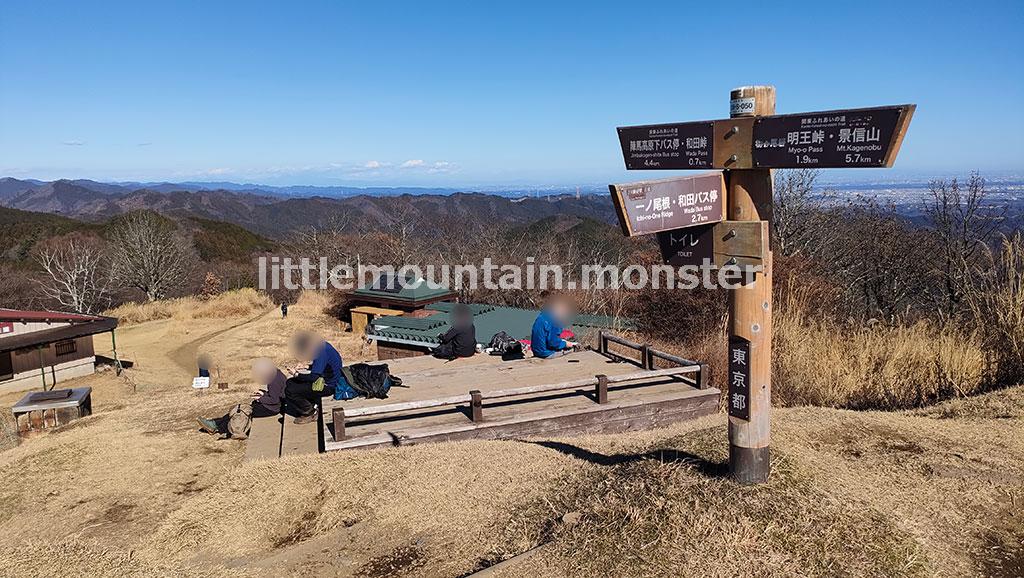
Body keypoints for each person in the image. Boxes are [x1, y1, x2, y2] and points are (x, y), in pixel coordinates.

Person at [196, 358, 286, 434]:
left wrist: (260, 398)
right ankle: (215, 422)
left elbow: (274, 400)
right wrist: (264, 393)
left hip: (271, 409)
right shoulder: (276, 375)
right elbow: (276, 394)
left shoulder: (274, 380)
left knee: (241, 413)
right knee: (239, 409)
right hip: (270, 406)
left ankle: (217, 428)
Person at [284, 331, 356, 424]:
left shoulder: (320, 353)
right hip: (326, 378)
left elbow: (314, 377)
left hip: (328, 385)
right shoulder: (323, 346)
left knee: (290, 390)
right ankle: (310, 403)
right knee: (290, 382)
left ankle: (310, 413)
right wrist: (306, 366)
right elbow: (324, 366)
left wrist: (296, 374)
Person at [530, 292, 578, 359]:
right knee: (573, 349)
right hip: (546, 354)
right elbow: (553, 343)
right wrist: (566, 344)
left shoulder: (543, 316)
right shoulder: (556, 321)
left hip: (536, 351)